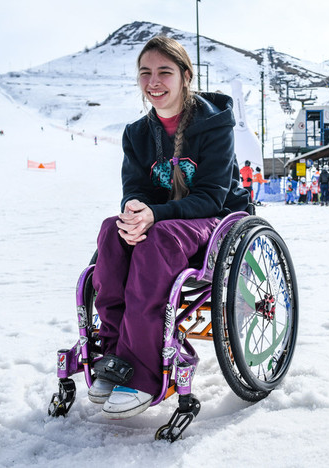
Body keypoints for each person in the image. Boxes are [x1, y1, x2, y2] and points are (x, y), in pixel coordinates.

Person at [89, 36, 250, 419]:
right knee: (111, 231)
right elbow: (137, 190)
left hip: (214, 219)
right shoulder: (137, 133)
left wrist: (154, 216)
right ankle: (116, 356)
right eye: (145, 73)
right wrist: (132, 213)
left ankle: (145, 373)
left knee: (157, 238)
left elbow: (212, 196)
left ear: (185, 76)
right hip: (161, 222)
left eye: (164, 71)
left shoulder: (213, 123)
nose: (154, 81)